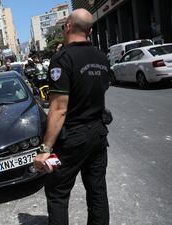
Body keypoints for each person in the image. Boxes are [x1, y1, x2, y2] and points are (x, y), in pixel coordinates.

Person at [33, 8, 110, 225]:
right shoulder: (101, 58)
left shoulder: (62, 59)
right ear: (90, 30)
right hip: (98, 134)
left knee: (57, 194)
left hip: (72, 139)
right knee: (97, 191)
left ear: (68, 27)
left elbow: (58, 108)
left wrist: (45, 150)